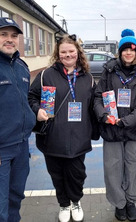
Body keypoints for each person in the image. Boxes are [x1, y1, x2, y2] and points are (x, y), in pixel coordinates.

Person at [28, 34, 96, 222]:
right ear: (58, 54)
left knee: (77, 175)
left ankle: (76, 201)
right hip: (52, 137)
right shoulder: (46, 75)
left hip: (78, 137)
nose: (67, 55)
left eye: (71, 51)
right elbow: (31, 97)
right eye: (63, 52)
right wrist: (38, 110)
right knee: (57, 175)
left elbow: (93, 106)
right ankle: (64, 204)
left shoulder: (88, 78)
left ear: (78, 52)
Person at [94, 29, 136, 221]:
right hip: (111, 128)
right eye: (125, 49)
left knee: (132, 165)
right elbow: (97, 97)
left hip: (132, 128)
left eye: (132, 49)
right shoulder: (109, 71)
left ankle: (131, 201)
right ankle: (119, 203)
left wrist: (127, 121)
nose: (128, 53)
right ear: (120, 51)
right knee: (113, 167)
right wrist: (103, 116)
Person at [0, 17, 36, 222]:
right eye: (3, 34)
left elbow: (23, 101)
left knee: (16, 197)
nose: (10, 39)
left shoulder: (22, 67)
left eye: (14, 36)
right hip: (2, 148)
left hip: (22, 146)